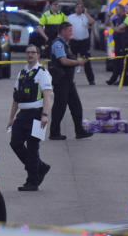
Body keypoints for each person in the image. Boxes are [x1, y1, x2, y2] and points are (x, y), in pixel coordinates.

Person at [6, 45, 53, 192]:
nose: (30, 55)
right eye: (28, 53)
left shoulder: (43, 73)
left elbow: (47, 96)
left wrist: (45, 115)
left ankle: (32, 181)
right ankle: (40, 167)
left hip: (37, 114)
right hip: (22, 115)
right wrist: (11, 118)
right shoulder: (21, 73)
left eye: (33, 52)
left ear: (38, 55)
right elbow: (15, 98)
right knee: (15, 143)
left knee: (33, 148)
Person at [48, 22, 93, 140]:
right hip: (61, 81)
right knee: (59, 107)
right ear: (63, 31)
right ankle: (54, 133)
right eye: (69, 30)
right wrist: (79, 62)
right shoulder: (58, 44)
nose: (71, 32)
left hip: (67, 81)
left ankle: (80, 131)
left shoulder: (64, 44)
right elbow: (63, 61)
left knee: (76, 106)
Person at [66, 2, 96, 84]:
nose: (79, 9)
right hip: (74, 42)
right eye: (77, 7)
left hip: (84, 42)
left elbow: (92, 22)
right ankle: (70, 79)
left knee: (87, 61)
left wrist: (86, 13)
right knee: (72, 61)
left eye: (81, 7)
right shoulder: (70, 18)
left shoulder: (85, 17)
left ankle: (91, 80)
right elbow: (66, 29)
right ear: (75, 9)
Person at [106, 5, 128, 85]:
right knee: (116, 62)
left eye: (117, 9)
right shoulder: (117, 19)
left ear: (122, 10)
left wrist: (113, 27)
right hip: (117, 44)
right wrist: (109, 16)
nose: (116, 11)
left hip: (123, 44)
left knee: (122, 63)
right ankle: (113, 79)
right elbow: (107, 23)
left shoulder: (125, 19)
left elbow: (120, 30)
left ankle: (122, 80)